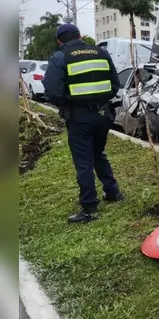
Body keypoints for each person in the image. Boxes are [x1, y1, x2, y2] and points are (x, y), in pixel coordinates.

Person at [42, 23, 123, 224]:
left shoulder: (60, 57)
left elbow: (53, 92)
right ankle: (113, 192)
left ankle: (89, 207)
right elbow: (115, 84)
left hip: (80, 118)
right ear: (79, 35)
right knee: (98, 154)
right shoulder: (101, 53)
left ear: (59, 40)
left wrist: (68, 101)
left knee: (84, 162)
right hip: (104, 114)